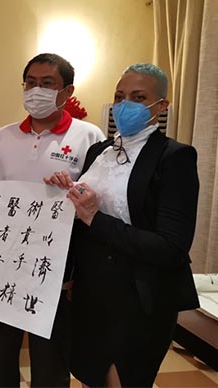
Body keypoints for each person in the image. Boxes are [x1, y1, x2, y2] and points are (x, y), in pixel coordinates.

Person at [45, 63, 200, 387]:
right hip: (90, 290)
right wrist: (65, 193)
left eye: (138, 97)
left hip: (139, 295)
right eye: (119, 96)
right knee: (90, 376)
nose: (124, 104)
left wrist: (94, 217)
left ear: (161, 105)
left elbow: (171, 247)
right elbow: (84, 216)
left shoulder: (174, 157)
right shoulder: (99, 151)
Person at [0, 53, 105, 387]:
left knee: (51, 357)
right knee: (0, 352)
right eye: (31, 83)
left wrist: (74, 190)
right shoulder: (5, 136)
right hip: (5, 259)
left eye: (47, 83)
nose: (37, 90)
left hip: (58, 265)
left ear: (67, 91)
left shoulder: (89, 136)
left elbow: (100, 199)